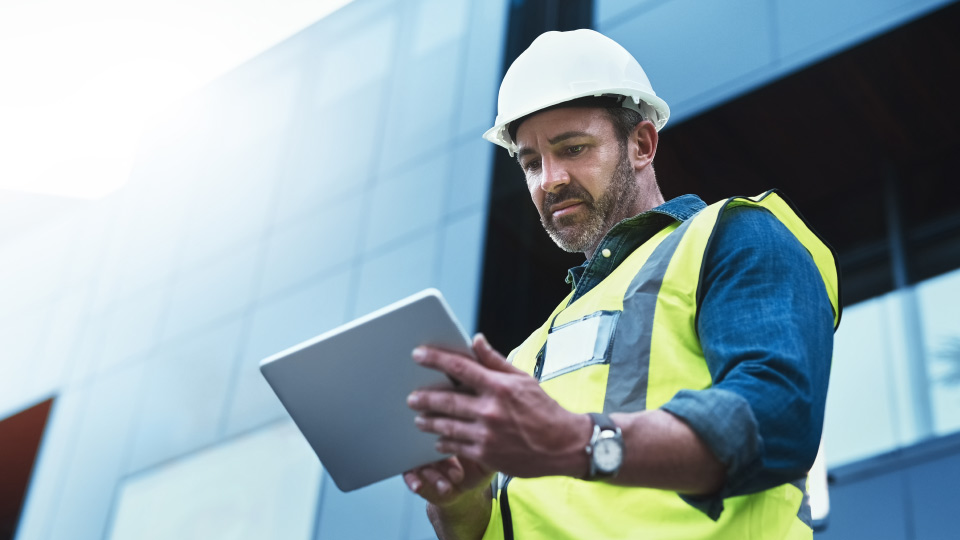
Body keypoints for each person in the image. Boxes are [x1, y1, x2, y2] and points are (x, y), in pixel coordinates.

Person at [403, 29, 840, 540]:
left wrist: (575, 441)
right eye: (531, 163)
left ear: (641, 144)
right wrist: (459, 502)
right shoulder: (525, 356)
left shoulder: (731, 236)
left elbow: (779, 419)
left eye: (572, 148)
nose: (549, 180)